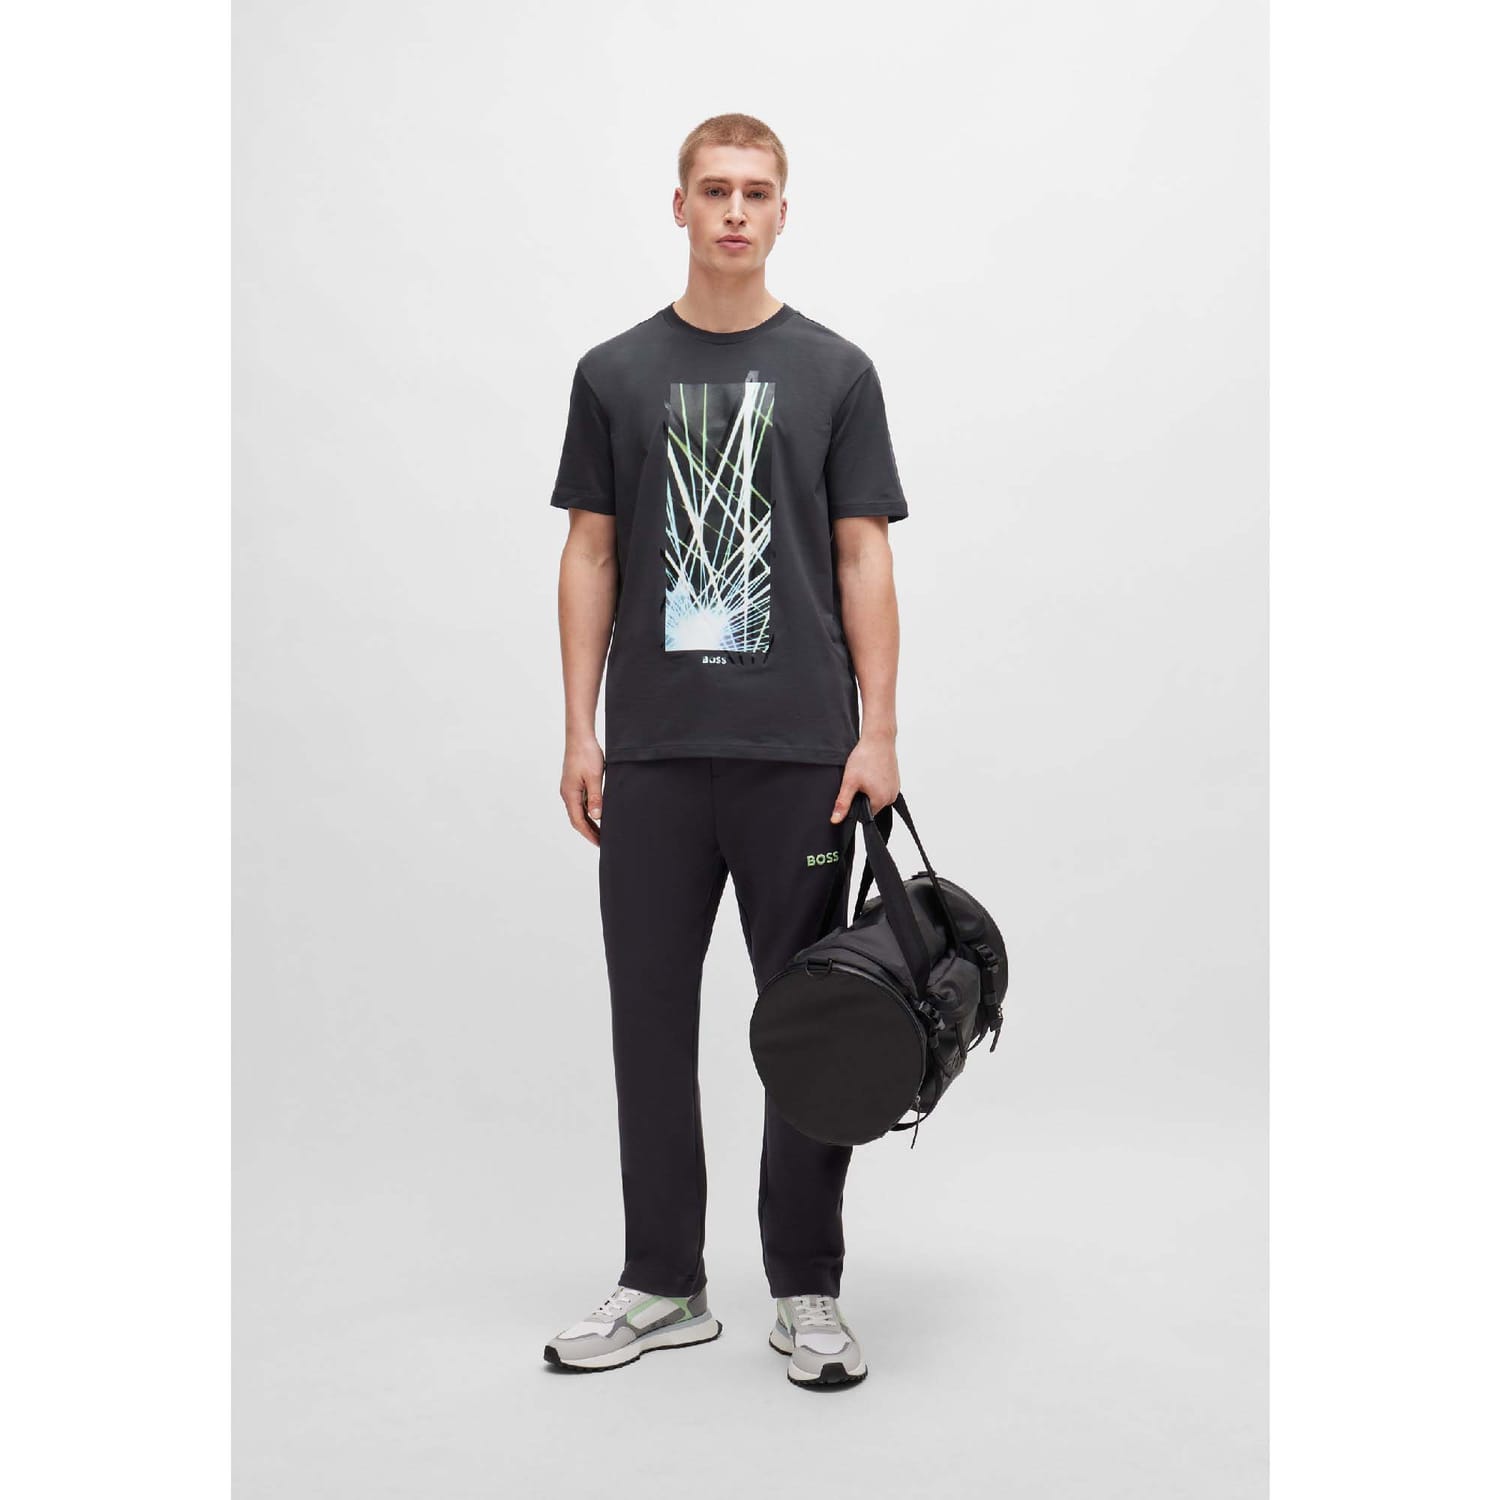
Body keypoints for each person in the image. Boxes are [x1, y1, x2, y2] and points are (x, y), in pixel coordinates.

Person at [543, 113, 909, 1389]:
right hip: (651, 756)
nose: (736, 211)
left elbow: (863, 555)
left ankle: (807, 1290)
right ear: (681, 207)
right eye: (715, 190)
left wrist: (878, 730)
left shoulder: (836, 372)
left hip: (800, 754)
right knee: (647, 1019)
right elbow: (590, 550)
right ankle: (664, 1281)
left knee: (810, 1024)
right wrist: (580, 728)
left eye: (757, 192)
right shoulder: (614, 373)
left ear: (783, 212)